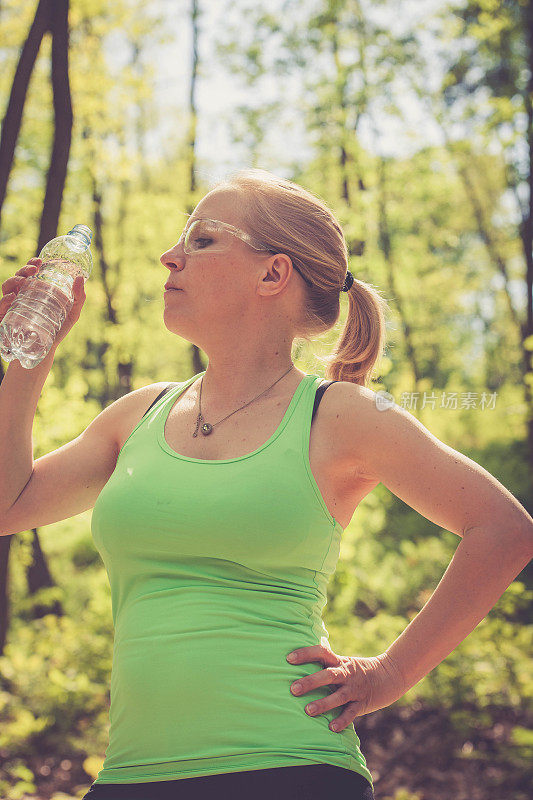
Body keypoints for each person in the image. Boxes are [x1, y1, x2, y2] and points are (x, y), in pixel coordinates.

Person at [1, 169, 531, 800]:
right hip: (131, 776)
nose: (169, 257)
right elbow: (11, 505)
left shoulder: (343, 415)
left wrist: (387, 676)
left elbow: (504, 530)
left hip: (290, 767)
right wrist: (29, 358)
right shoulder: (136, 415)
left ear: (273, 275)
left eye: (201, 241)